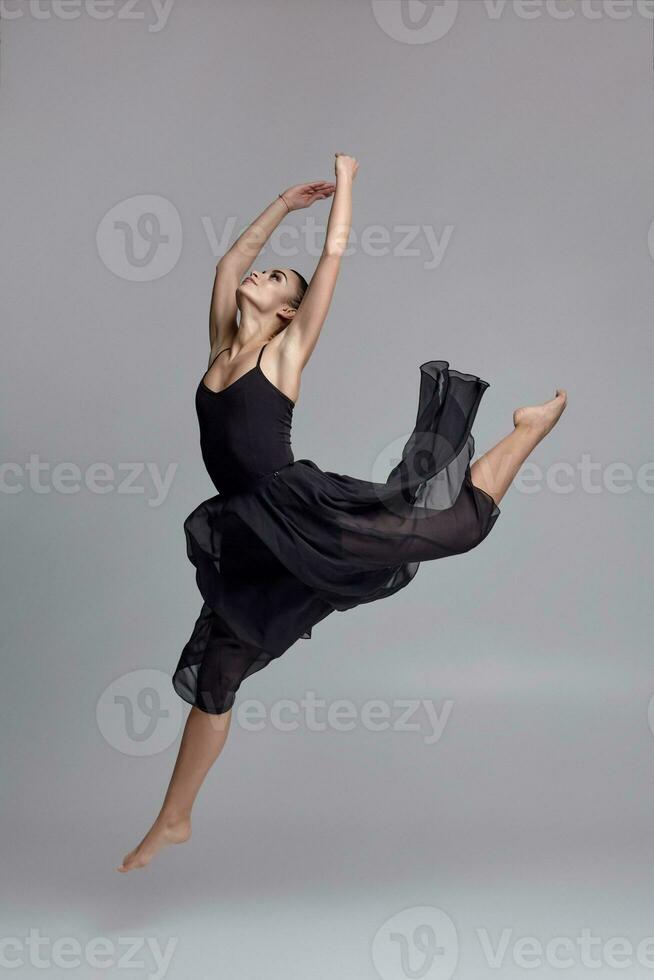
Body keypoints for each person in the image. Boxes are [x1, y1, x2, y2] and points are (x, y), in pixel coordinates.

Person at [117, 153, 566, 872]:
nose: (262, 275)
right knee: (217, 671)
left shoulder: (285, 354)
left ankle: (527, 431)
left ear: (288, 311)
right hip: (248, 529)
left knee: (448, 527)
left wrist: (345, 183)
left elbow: (331, 259)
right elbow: (229, 261)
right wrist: (281, 204)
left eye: (276, 279)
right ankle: (174, 818)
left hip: (303, 509)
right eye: (265, 273)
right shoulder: (220, 348)